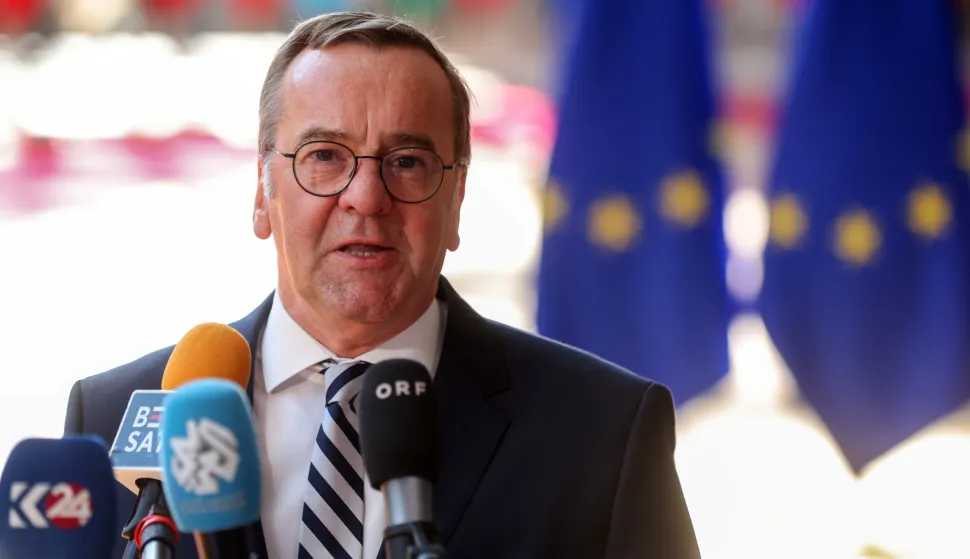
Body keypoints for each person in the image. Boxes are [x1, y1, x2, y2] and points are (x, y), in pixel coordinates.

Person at [64, 11, 701, 559]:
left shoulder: (602, 431)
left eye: (407, 162)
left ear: (456, 200)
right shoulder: (111, 417)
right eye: (323, 156)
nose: (366, 198)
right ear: (262, 193)